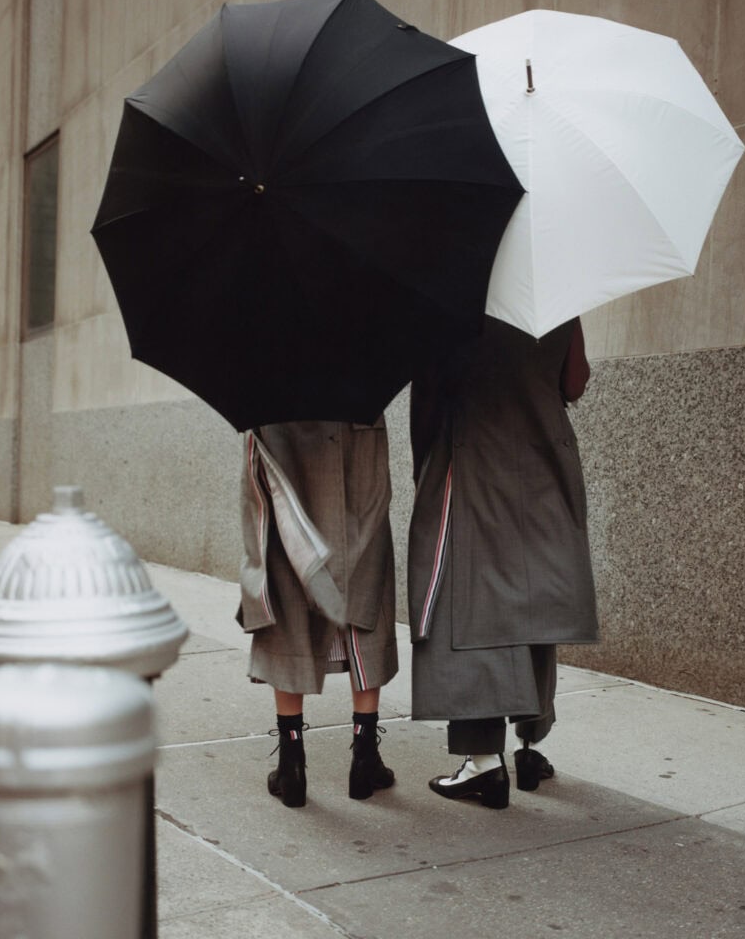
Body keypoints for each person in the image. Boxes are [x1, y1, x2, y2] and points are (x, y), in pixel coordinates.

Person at [408, 316, 598, 809]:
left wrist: (423, 468)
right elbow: (574, 382)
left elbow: (428, 396)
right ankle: (531, 747)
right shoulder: (553, 296)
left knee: (469, 605)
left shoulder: (455, 297)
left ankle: (482, 763)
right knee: (532, 597)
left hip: (471, 456)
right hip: (542, 458)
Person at [239, 419, 398, 808]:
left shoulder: (268, 364)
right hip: (357, 431)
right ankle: (364, 755)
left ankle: (293, 761)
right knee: (363, 597)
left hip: (285, 438)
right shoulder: (367, 362)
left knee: (290, 607)